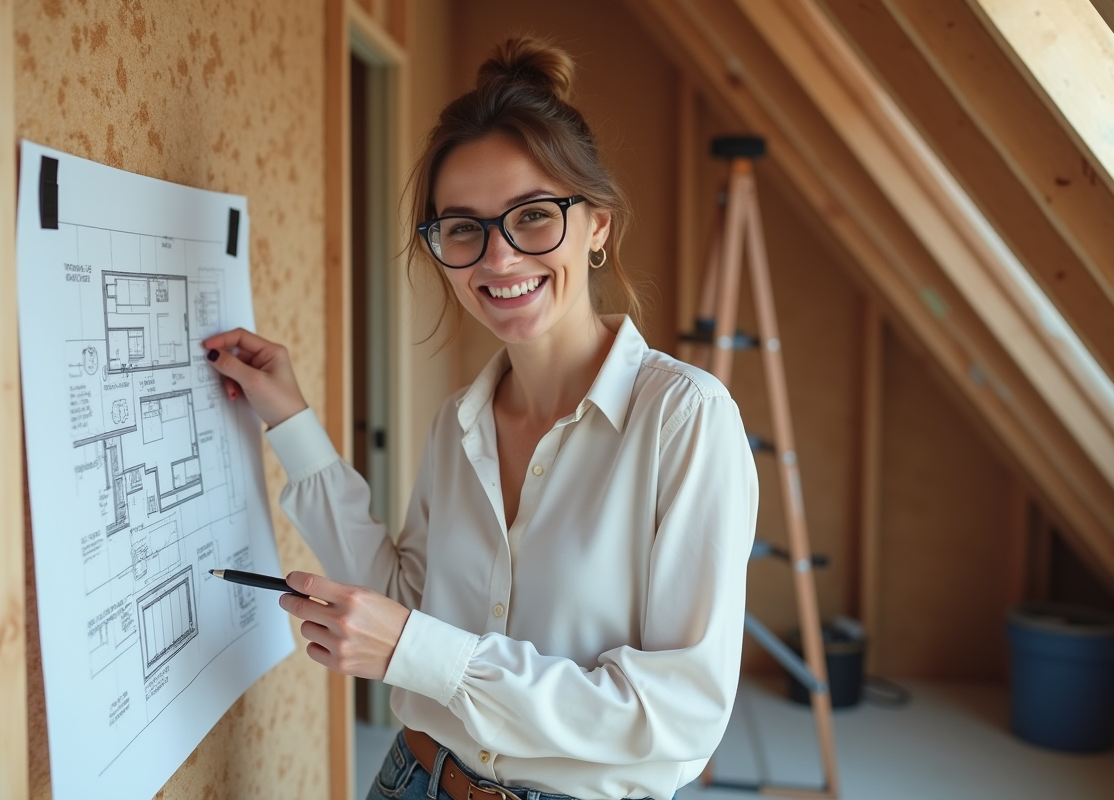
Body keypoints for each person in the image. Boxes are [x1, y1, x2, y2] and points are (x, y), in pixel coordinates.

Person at [203, 36, 758, 800]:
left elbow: (675, 718)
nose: (497, 259)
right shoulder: (457, 424)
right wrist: (293, 424)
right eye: (462, 228)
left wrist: (422, 653)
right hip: (412, 778)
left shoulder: (684, 421)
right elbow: (403, 600)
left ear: (597, 223)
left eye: (533, 216)